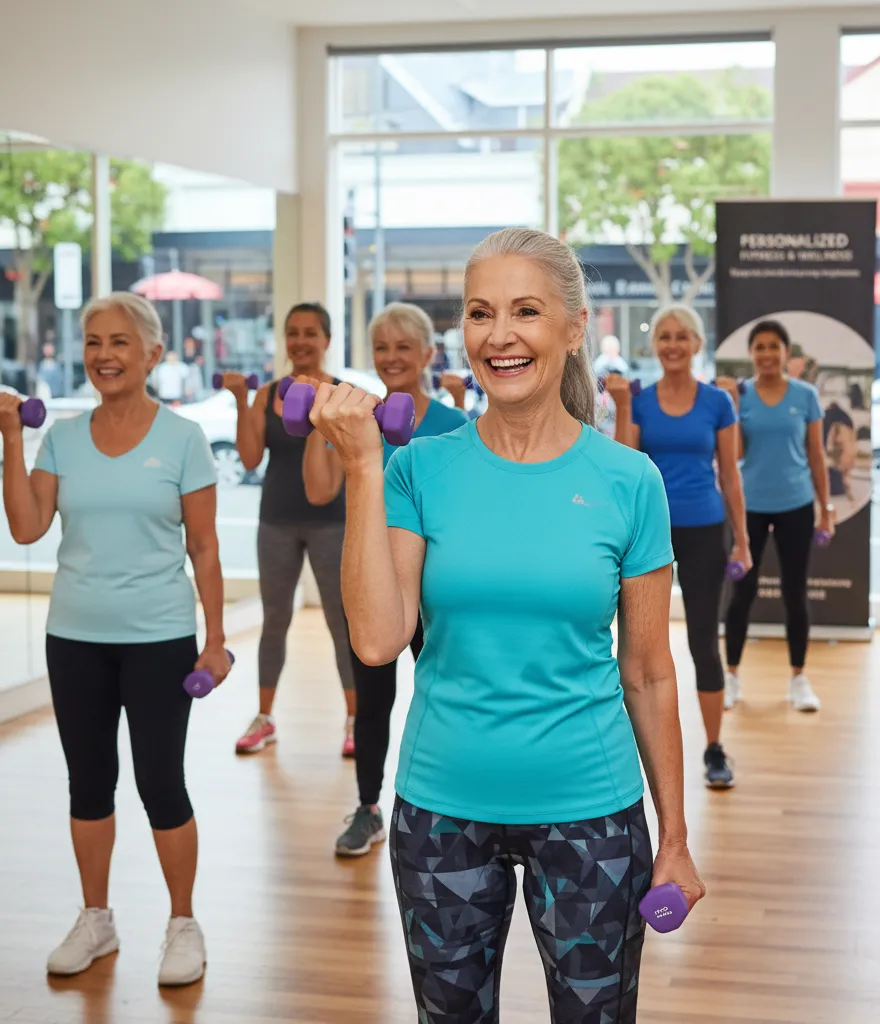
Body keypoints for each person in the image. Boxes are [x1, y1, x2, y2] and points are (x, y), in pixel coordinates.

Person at [306, 227, 704, 1022]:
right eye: (480, 313)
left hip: (592, 812)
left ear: (574, 327)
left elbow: (649, 672)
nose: (499, 335)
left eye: (526, 311)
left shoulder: (628, 481)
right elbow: (378, 641)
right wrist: (361, 467)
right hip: (442, 811)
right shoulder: (416, 469)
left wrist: (675, 837)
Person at [0, 292, 230, 986]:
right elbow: (27, 528)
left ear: (153, 354)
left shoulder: (183, 438)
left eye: (120, 342)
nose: (104, 354)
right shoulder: (63, 438)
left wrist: (215, 639)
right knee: (89, 782)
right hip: (74, 636)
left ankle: (183, 923)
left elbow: (205, 547)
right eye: (94, 341)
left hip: (160, 636)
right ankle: (96, 918)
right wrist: (10, 437)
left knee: (161, 783)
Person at [300, 301, 466, 857]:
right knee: (371, 701)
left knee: (441, 693)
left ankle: (452, 804)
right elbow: (319, 491)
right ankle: (369, 808)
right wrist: (317, 420)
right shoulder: (356, 419)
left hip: (434, 588)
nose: (391, 357)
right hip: (371, 583)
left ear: (428, 353)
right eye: (381, 347)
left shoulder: (454, 427)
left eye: (403, 346)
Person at [606, 303, 750, 789]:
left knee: (703, 642)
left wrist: (743, 541)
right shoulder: (641, 401)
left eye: (681, 336)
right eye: (664, 337)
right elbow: (625, 465)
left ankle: (714, 748)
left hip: (705, 530)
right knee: (640, 645)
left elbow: (730, 475)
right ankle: (637, 747)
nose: (672, 345)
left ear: (696, 344)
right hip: (649, 534)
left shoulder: (717, 402)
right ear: (655, 346)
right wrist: (623, 408)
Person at [230, 302, 357, 757]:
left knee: (341, 623)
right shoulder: (267, 395)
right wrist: (241, 401)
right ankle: (264, 718)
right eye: (293, 333)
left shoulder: (342, 395)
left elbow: (350, 461)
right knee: (275, 620)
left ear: (326, 340)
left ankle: (355, 720)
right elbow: (249, 459)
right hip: (277, 521)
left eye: (310, 333)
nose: (301, 341)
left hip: (333, 522)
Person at [717, 320, 834, 712]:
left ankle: (799, 678)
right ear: (751, 353)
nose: (766, 354)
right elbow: (733, 456)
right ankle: (731, 676)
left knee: (795, 593)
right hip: (749, 506)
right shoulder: (740, 395)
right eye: (760, 347)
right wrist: (733, 409)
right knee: (742, 593)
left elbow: (816, 455)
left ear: (786, 352)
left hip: (796, 505)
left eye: (773, 346)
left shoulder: (806, 395)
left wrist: (826, 509)